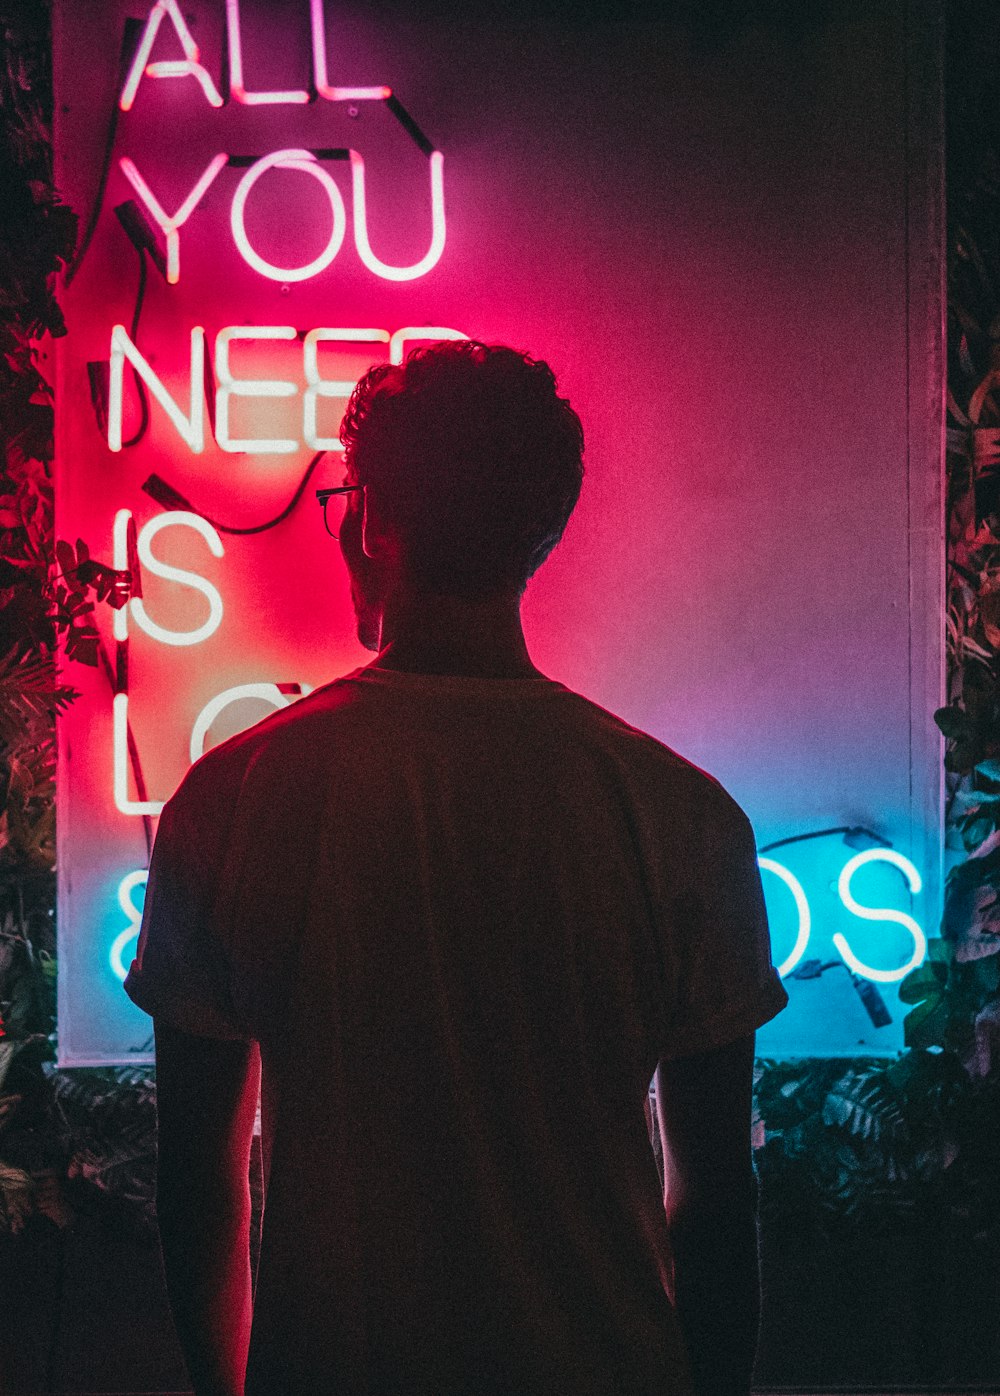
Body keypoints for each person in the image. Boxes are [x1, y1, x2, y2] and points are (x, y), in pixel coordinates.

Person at [125, 340, 788, 1396]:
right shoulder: (680, 814)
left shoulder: (233, 797)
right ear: (541, 533)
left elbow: (199, 1187)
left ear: (366, 515)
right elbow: (713, 1204)